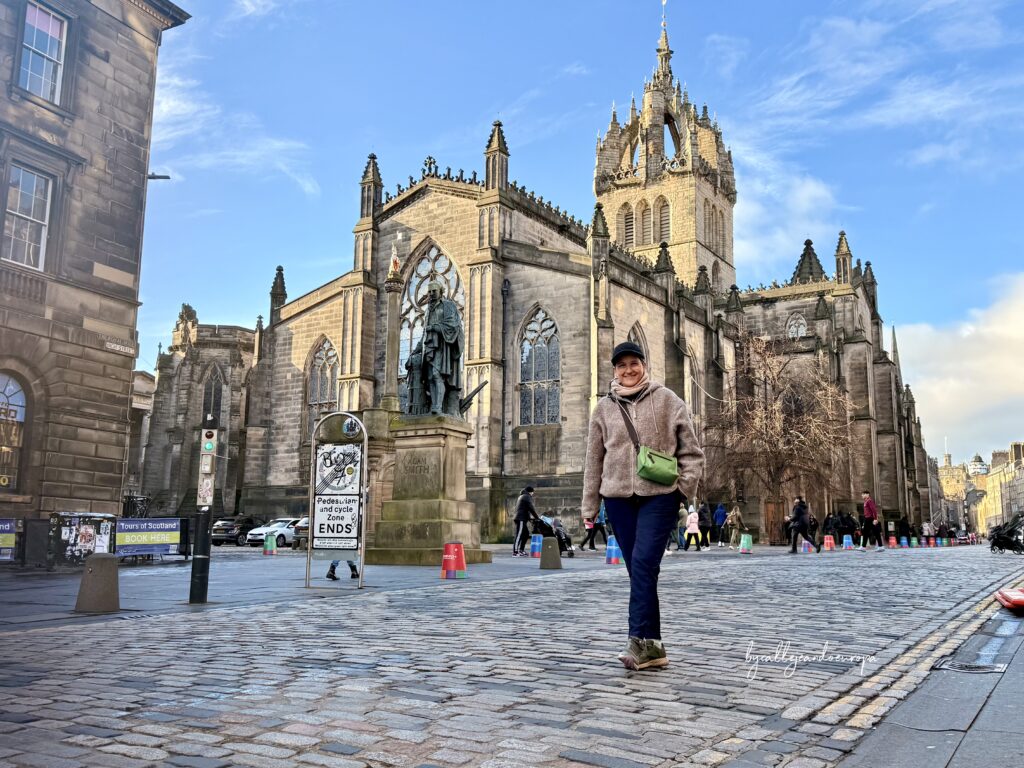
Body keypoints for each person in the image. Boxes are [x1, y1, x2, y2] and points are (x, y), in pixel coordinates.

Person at [581, 341, 704, 671]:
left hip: (659, 496)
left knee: (643, 563)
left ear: (644, 365)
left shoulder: (667, 400)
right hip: (617, 499)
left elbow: (692, 453)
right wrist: (590, 505)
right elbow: (594, 460)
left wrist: (682, 491)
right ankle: (655, 647)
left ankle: (637, 640)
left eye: (634, 363)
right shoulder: (603, 409)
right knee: (641, 571)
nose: (628, 370)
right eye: (621, 365)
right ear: (614, 370)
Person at [422, 281, 464, 415]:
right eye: (429, 291)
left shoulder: (448, 305)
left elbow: (452, 325)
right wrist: (417, 350)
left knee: (436, 374)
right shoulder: (428, 310)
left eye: (434, 291)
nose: (431, 294)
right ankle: (434, 407)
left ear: (441, 291)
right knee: (430, 377)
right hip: (430, 345)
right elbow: (424, 333)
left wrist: (434, 328)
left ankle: (438, 407)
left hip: (443, 346)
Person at [512, 486, 539, 557]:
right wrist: (537, 517)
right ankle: (515, 552)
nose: (533, 494)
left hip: (522, 518)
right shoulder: (526, 496)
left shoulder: (523, 496)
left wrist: (530, 519)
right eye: (532, 492)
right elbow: (531, 508)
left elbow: (525, 509)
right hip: (520, 518)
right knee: (519, 534)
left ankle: (521, 550)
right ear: (531, 492)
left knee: (526, 534)